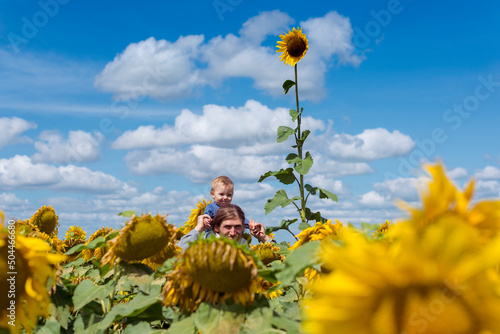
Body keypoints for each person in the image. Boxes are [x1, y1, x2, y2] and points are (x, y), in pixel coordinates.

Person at [178, 204, 273, 250]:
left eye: (237, 227)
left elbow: (282, 263)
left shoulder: (243, 245)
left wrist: (264, 238)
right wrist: (198, 228)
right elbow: (176, 254)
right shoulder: (204, 244)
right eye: (227, 227)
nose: (232, 232)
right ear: (216, 227)